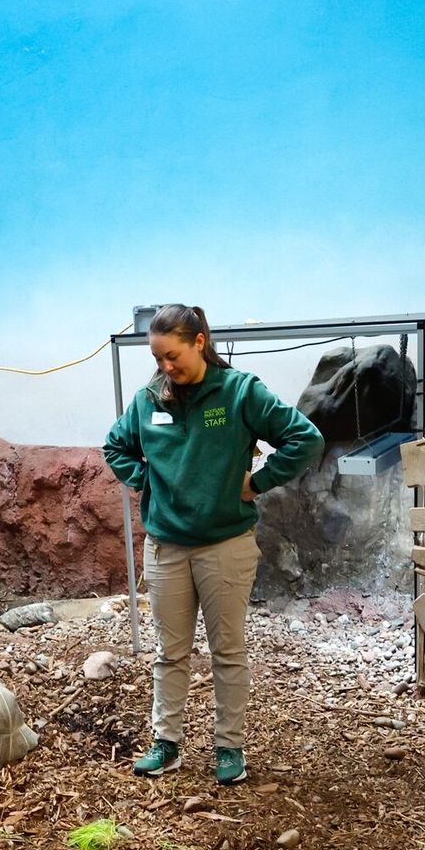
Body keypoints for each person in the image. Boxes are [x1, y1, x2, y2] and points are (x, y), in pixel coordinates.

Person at [103, 304, 323, 785]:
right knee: (170, 651)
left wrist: (260, 481)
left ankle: (229, 747)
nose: (166, 367)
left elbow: (304, 438)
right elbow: (114, 446)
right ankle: (167, 743)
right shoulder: (149, 400)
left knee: (227, 650)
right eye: (158, 358)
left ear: (199, 342)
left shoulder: (241, 392)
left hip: (225, 544)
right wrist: (146, 481)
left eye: (173, 355)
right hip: (166, 547)